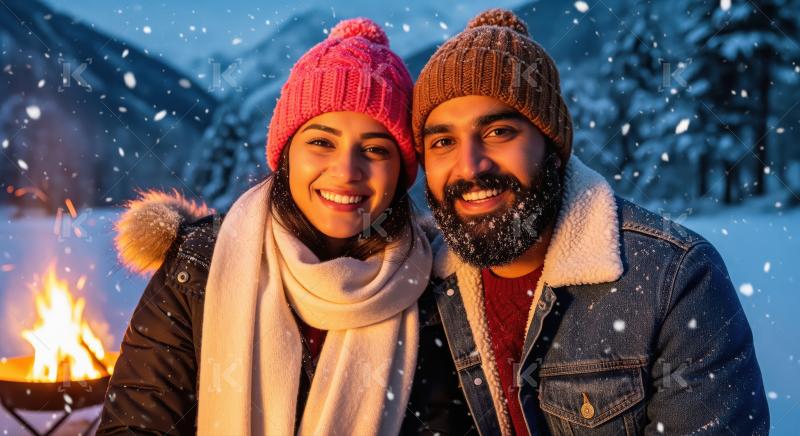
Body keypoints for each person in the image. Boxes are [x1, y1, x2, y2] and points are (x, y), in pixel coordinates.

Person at [412, 8, 770, 435]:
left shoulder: (674, 279)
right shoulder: (420, 284)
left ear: (551, 145)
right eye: (443, 141)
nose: (470, 166)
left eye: (498, 132)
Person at [97, 18, 459, 435]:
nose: (346, 171)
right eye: (321, 142)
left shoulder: (434, 291)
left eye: (375, 149)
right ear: (286, 154)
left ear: (400, 172)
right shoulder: (200, 267)